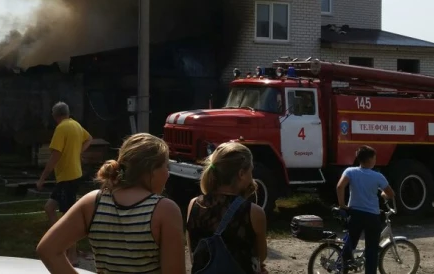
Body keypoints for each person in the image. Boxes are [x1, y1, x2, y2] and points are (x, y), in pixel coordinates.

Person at [36, 133, 185, 274]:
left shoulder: (93, 202)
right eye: (166, 166)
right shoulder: (165, 211)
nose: (168, 173)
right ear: (151, 170)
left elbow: (48, 249)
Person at [186, 142, 267, 274]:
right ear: (241, 174)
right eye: (251, 171)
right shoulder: (254, 212)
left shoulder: (194, 205)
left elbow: (194, 254)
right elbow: (260, 256)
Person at [37, 102, 92, 265]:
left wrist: (42, 178)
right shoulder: (75, 125)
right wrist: (78, 151)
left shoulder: (61, 128)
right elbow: (89, 139)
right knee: (49, 208)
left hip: (68, 177)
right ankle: (60, 241)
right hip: (69, 176)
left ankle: (72, 255)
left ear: (55, 116)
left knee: (68, 217)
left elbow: (54, 156)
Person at [336, 146, 396, 274]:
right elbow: (390, 193)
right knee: (372, 249)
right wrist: (383, 195)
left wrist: (342, 205)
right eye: (374, 157)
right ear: (370, 159)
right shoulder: (378, 176)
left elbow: (340, 187)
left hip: (355, 214)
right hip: (372, 217)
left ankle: (341, 267)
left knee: (351, 241)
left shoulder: (350, 171)